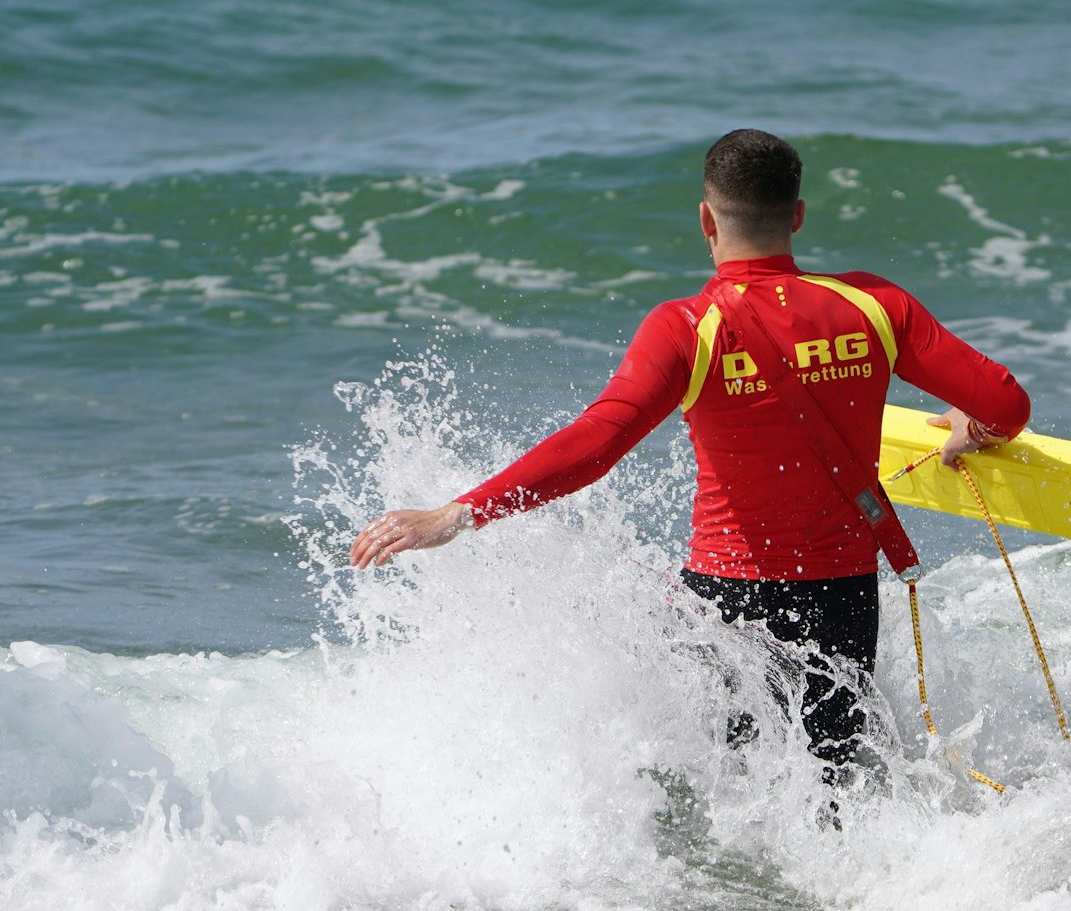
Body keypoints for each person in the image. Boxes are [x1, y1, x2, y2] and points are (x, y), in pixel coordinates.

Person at [350, 129, 1030, 774]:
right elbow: (1007, 405)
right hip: (844, 597)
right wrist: (975, 429)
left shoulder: (686, 327)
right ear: (797, 216)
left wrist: (459, 514)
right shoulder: (875, 306)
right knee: (834, 790)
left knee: (735, 793)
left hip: (729, 602)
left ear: (706, 220)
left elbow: (596, 443)